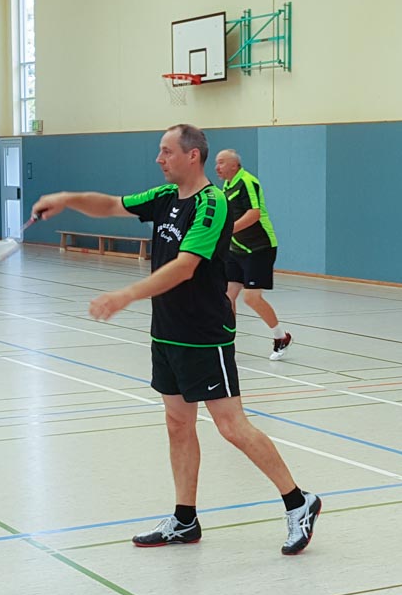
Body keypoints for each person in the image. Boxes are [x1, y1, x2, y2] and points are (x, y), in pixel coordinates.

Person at [31, 124, 322, 554]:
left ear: (192, 156)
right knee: (177, 423)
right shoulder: (165, 197)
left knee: (231, 426)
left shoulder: (211, 205)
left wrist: (126, 294)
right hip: (167, 331)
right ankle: (185, 520)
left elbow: (186, 267)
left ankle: (299, 502)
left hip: (204, 334)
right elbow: (111, 205)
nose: (158, 159)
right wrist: (67, 199)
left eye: (166, 152)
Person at [214, 149, 292, 360]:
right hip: (236, 249)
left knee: (251, 297)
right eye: (216, 163)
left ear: (234, 165)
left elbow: (254, 214)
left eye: (221, 162)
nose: (216, 167)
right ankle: (226, 343)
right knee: (227, 296)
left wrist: (228, 230)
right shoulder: (227, 185)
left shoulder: (247, 182)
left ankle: (281, 336)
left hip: (259, 248)